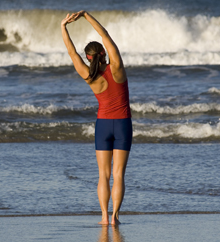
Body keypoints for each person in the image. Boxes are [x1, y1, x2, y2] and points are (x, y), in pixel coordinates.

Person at [61, 11, 132, 225]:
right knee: (118, 174)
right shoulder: (116, 68)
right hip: (122, 124)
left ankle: (102, 216)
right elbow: (106, 36)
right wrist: (86, 15)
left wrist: (63, 26)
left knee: (104, 175)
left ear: (88, 58)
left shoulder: (89, 76)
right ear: (103, 53)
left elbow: (72, 53)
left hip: (102, 126)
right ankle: (114, 218)